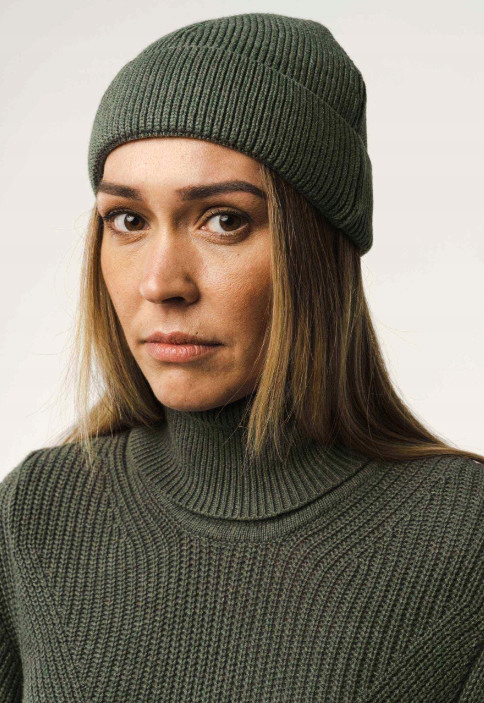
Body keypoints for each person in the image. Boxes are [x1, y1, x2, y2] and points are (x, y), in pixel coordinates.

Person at [1, 12, 483, 702]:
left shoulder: (464, 537)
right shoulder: (37, 513)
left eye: (224, 220)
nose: (161, 282)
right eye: (128, 220)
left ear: (317, 248)